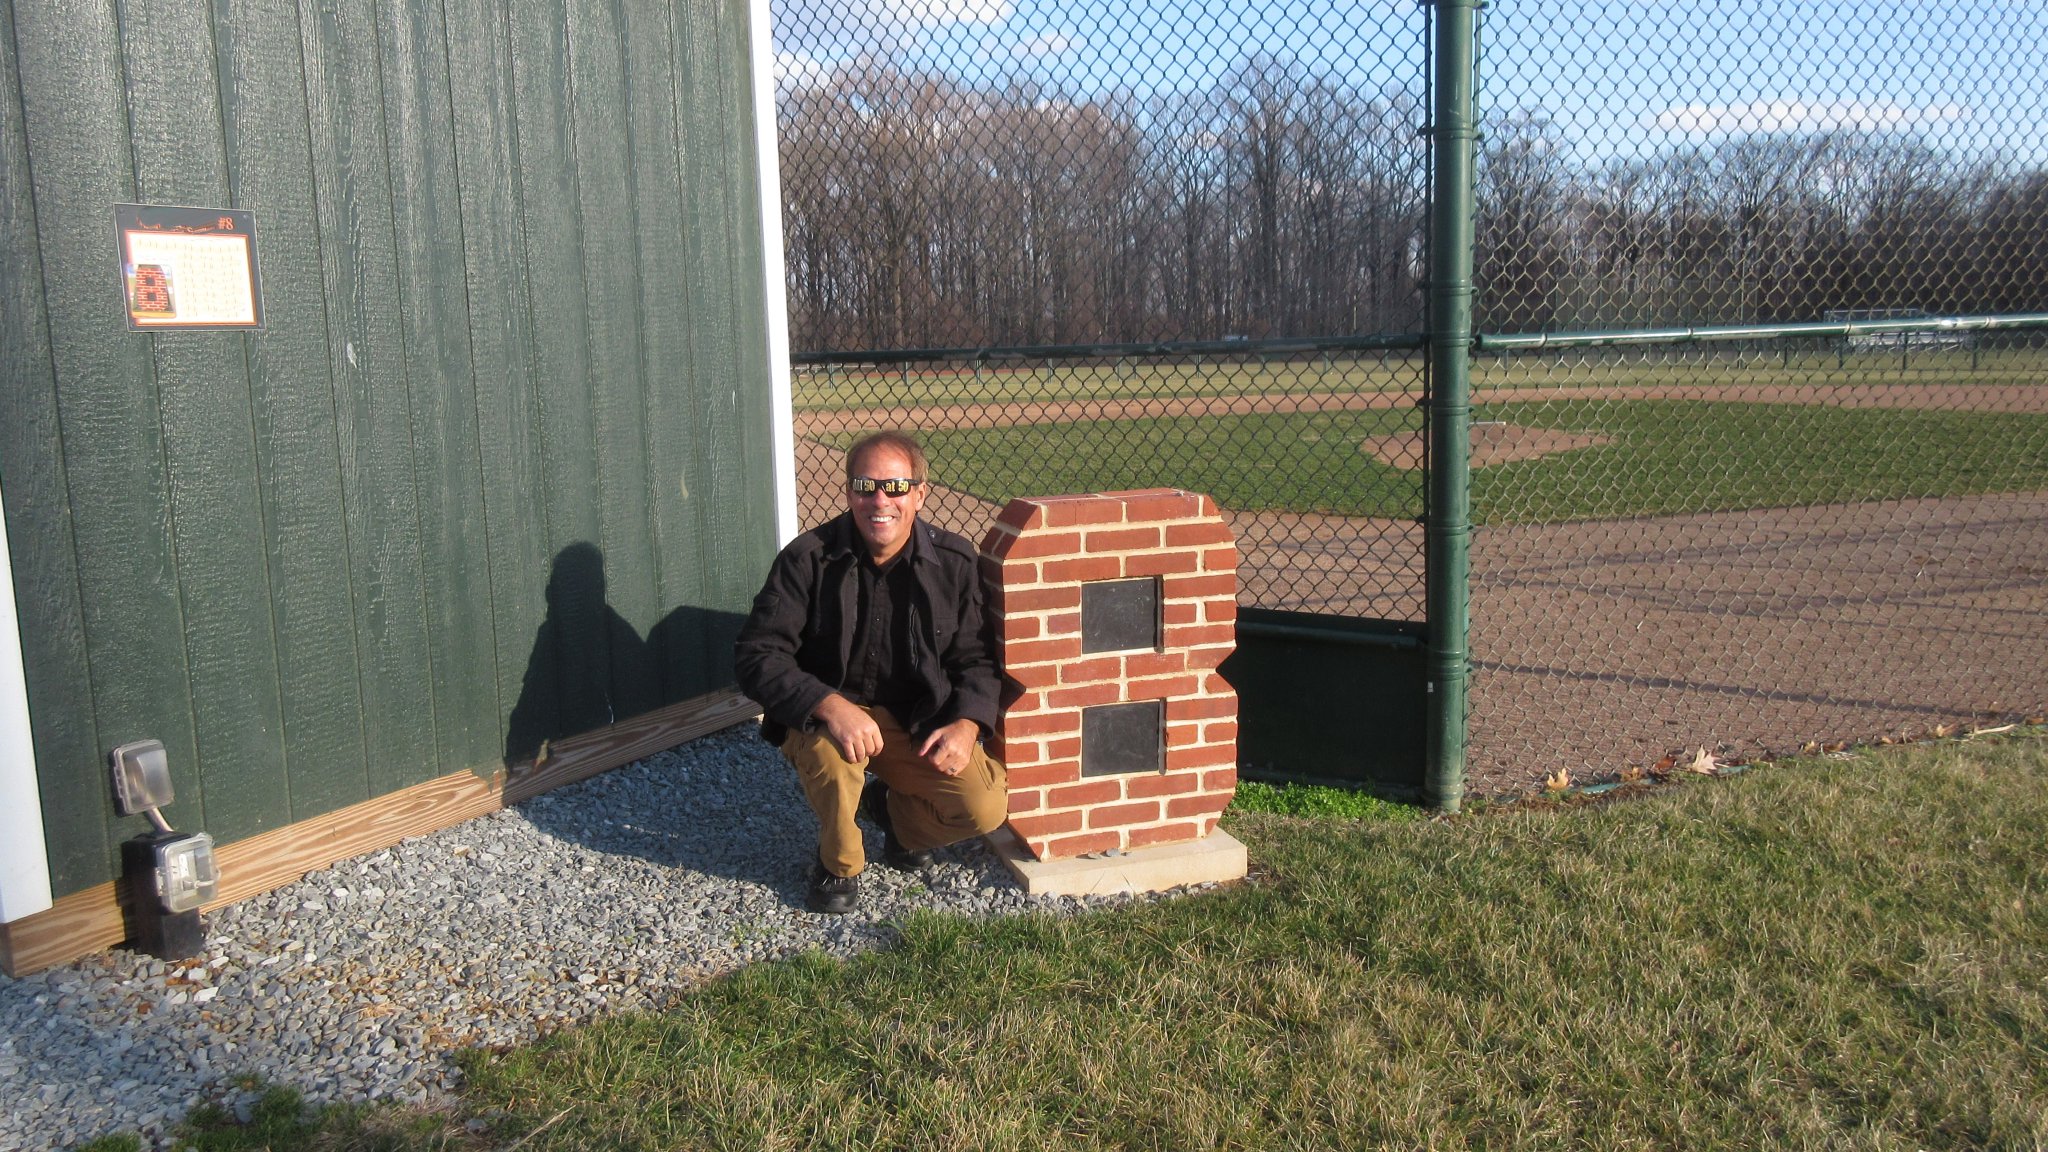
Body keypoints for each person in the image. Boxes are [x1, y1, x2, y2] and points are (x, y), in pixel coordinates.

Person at [734, 431, 1008, 914]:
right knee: (835, 767)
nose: (879, 500)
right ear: (848, 492)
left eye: (895, 487)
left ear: (920, 493)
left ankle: (891, 817)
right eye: (865, 485)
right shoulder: (806, 559)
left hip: (913, 716)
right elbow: (758, 655)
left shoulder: (953, 563)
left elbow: (977, 660)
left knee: (984, 805)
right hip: (828, 716)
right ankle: (838, 865)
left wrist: (967, 725)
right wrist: (828, 705)